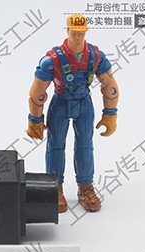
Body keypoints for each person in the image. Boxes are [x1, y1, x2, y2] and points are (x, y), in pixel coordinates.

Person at [27, 14, 119, 213]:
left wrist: (110, 114)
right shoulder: (52, 60)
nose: (78, 37)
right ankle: (54, 187)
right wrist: (35, 119)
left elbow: (110, 86)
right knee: (55, 145)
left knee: (85, 144)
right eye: (74, 32)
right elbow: (37, 93)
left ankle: (85, 187)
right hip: (60, 102)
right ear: (68, 31)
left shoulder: (95, 56)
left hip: (84, 103)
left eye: (81, 33)